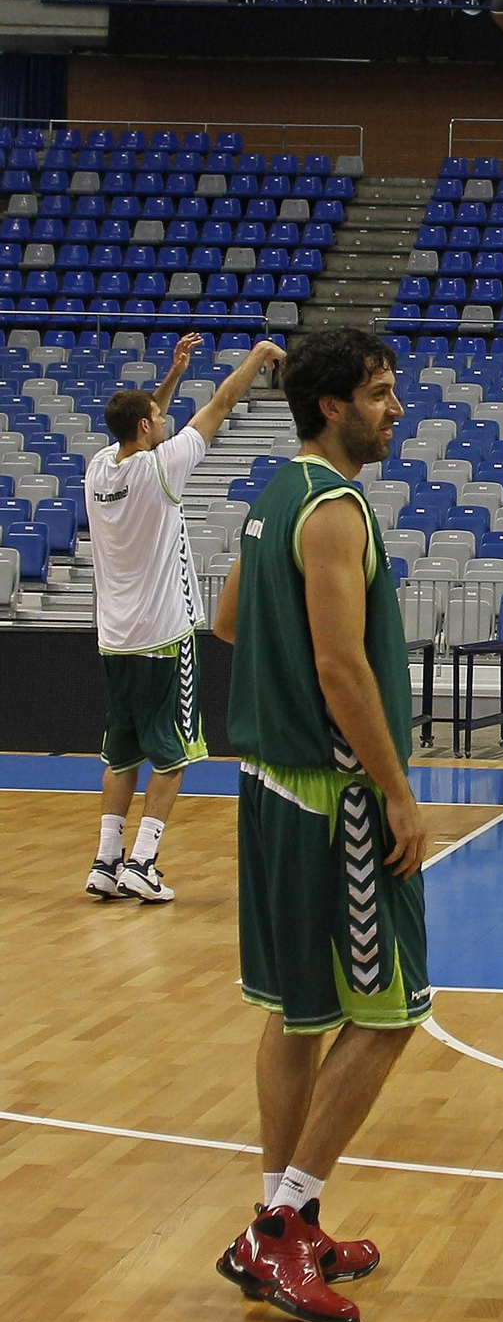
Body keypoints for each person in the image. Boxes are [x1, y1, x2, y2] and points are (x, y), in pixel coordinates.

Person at [211, 327, 429, 1322]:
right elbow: (342, 667)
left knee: (300, 1013)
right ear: (333, 405)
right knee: (389, 1015)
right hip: (335, 798)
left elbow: (227, 621)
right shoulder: (336, 509)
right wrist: (396, 790)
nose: (396, 409)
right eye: (380, 393)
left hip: (267, 785)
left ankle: (279, 1222)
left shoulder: (273, 495)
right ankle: (284, 1220)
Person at [85, 333, 282, 903]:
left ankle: (106, 860)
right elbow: (219, 405)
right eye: (157, 417)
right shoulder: (161, 470)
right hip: (165, 636)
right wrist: (257, 356)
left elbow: (143, 418)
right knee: (175, 754)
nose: (165, 420)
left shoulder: (99, 469)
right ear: (146, 428)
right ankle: (143, 861)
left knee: (120, 753)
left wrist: (172, 375)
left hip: (113, 638)